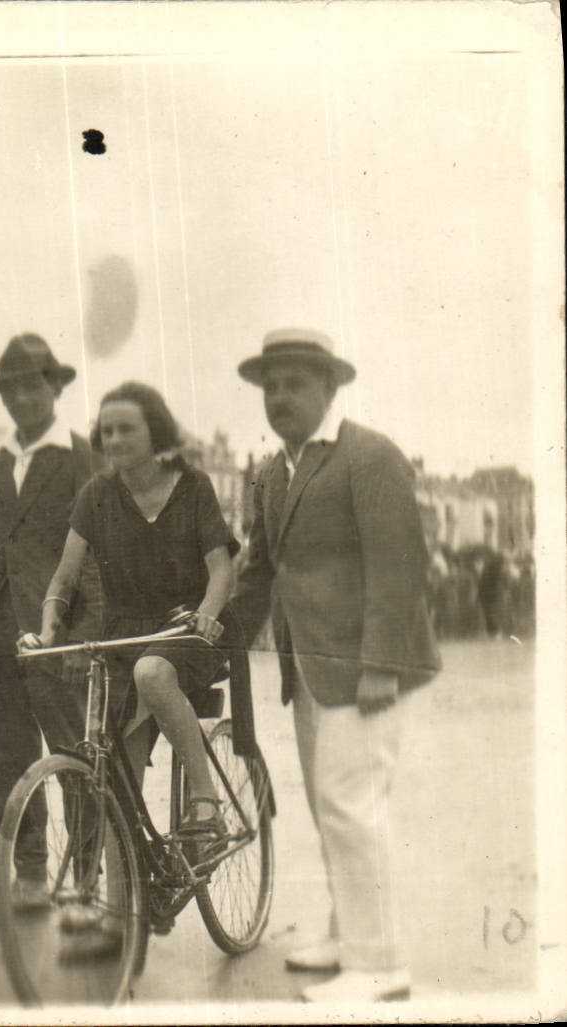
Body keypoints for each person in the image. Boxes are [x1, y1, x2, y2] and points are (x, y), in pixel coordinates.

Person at [231, 328, 439, 1003]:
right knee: (332, 807)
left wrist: (380, 664)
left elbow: (400, 563)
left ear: (329, 387)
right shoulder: (272, 473)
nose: (280, 397)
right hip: (309, 669)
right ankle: (347, 934)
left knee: (352, 808)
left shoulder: (370, 456)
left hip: (365, 670)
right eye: (270, 386)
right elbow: (260, 570)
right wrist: (216, 636)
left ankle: (379, 963)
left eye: (295, 383)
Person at [35, 383, 238, 836]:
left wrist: (207, 614)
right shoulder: (96, 495)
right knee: (118, 800)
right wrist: (48, 628)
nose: (115, 440)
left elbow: (221, 570)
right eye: (107, 431)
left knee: (152, 672)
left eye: (127, 429)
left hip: (187, 630)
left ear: (155, 432)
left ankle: (206, 801)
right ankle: (130, 880)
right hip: (123, 638)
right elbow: (64, 579)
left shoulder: (193, 487)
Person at [0, 334, 101, 919]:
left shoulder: (81, 456)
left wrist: (81, 633)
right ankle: (31, 877)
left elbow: (98, 551)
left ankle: (87, 882)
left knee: (74, 758)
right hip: (0, 632)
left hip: (58, 631)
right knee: (7, 759)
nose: (20, 399)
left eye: (31, 386)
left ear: (56, 387)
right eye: (9, 389)